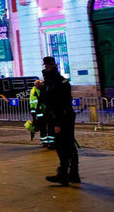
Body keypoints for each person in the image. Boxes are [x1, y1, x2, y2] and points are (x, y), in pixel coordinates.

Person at [41, 57, 79, 185]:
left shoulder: (57, 82)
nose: (45, 68)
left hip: (62, 117)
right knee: (67, 145)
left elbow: (60, 103)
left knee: (63, 146)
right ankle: (72, 173)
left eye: (47, 66)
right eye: (45, 65)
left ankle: (64, 173)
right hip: (62, 116)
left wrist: (57, 123)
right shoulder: (54, 80)